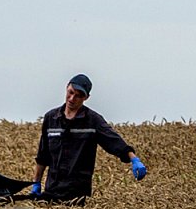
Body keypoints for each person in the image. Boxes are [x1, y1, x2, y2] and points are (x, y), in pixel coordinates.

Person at [32, 73, 147, 202]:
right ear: (66, 88)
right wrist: (36, 183)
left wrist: (134, 159)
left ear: (86, 97)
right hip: (51, 192)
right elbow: (42, 156)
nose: (72, 98)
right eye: (70, 92)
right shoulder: (51, 118)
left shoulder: (93, 121)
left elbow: (113, 141)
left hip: (77, 196)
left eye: (78, 96)